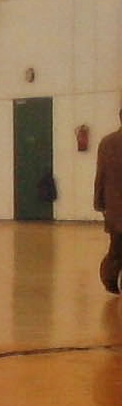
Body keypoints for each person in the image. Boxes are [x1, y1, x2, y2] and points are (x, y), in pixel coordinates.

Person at [94, 106, 122, 294]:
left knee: (116, 248)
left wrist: (99, 203)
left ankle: (109, 280)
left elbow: (101, 175)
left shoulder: (107, 142)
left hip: (115, 208)